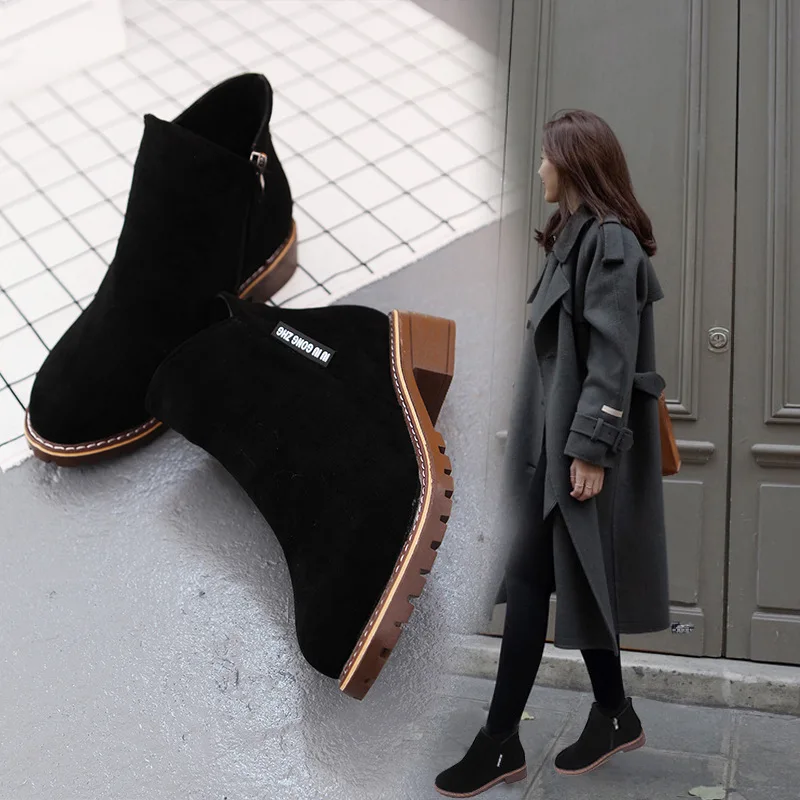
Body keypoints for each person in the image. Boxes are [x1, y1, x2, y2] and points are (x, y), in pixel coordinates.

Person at [434, 109, 670, 797]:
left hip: (574, 452)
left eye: (546, 157)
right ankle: (614, 713)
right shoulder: (572, 237)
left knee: (536, 579)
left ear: (574, 163)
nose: (539, 168)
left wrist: (591, 449)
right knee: (554, 576)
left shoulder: (610, 242)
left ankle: (500, 741)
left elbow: (613, 356)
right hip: (547, 451)